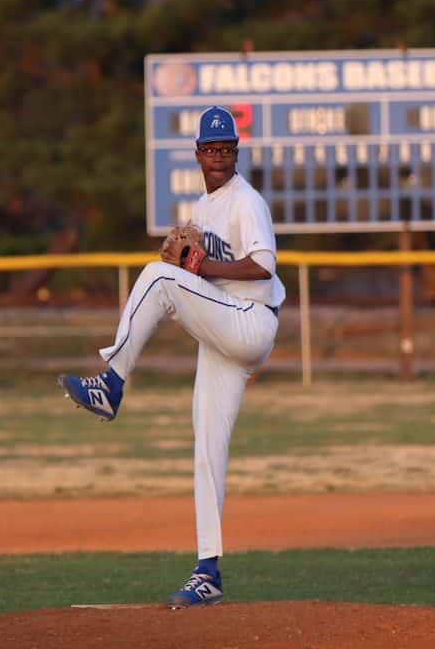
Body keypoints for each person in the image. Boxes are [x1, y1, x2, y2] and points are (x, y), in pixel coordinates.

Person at [57, 105, 285, 609]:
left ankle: (111, 383)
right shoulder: (202, 209)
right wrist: (194, 268)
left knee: (157, 276)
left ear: (236, 153)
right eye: (211, 148)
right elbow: (200, 271)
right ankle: (209, 572)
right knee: (207, 447)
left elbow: (262, 268)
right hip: (224, 331)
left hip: (251, 321)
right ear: (198, 154)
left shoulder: (248, 202)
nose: (219, 156)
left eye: (227, 148)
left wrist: (199, 267)